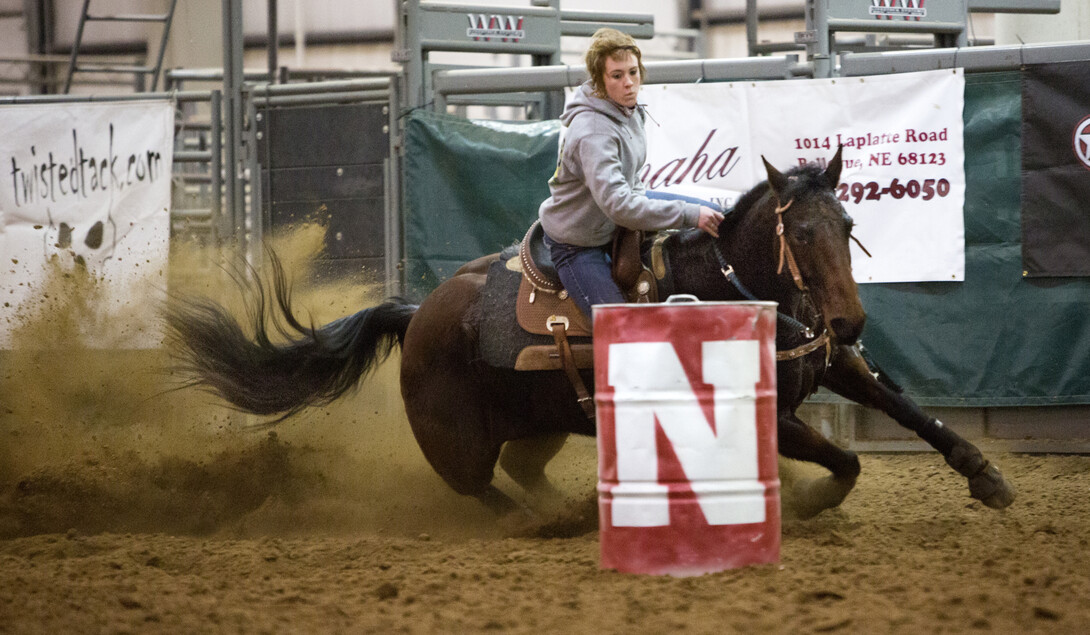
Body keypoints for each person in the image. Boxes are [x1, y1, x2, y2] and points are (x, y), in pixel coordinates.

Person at [538, 27, 724, 321]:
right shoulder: (593, 132)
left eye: (633, 72)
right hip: (578, 244)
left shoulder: (627, 110)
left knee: (717, 215)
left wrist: (687, 214)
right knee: (623, 329)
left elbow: (630, 186)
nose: (629, 83)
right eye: (617, 76)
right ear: (599, 81)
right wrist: (688, 214)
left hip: (612, 223)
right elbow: (619, 206)